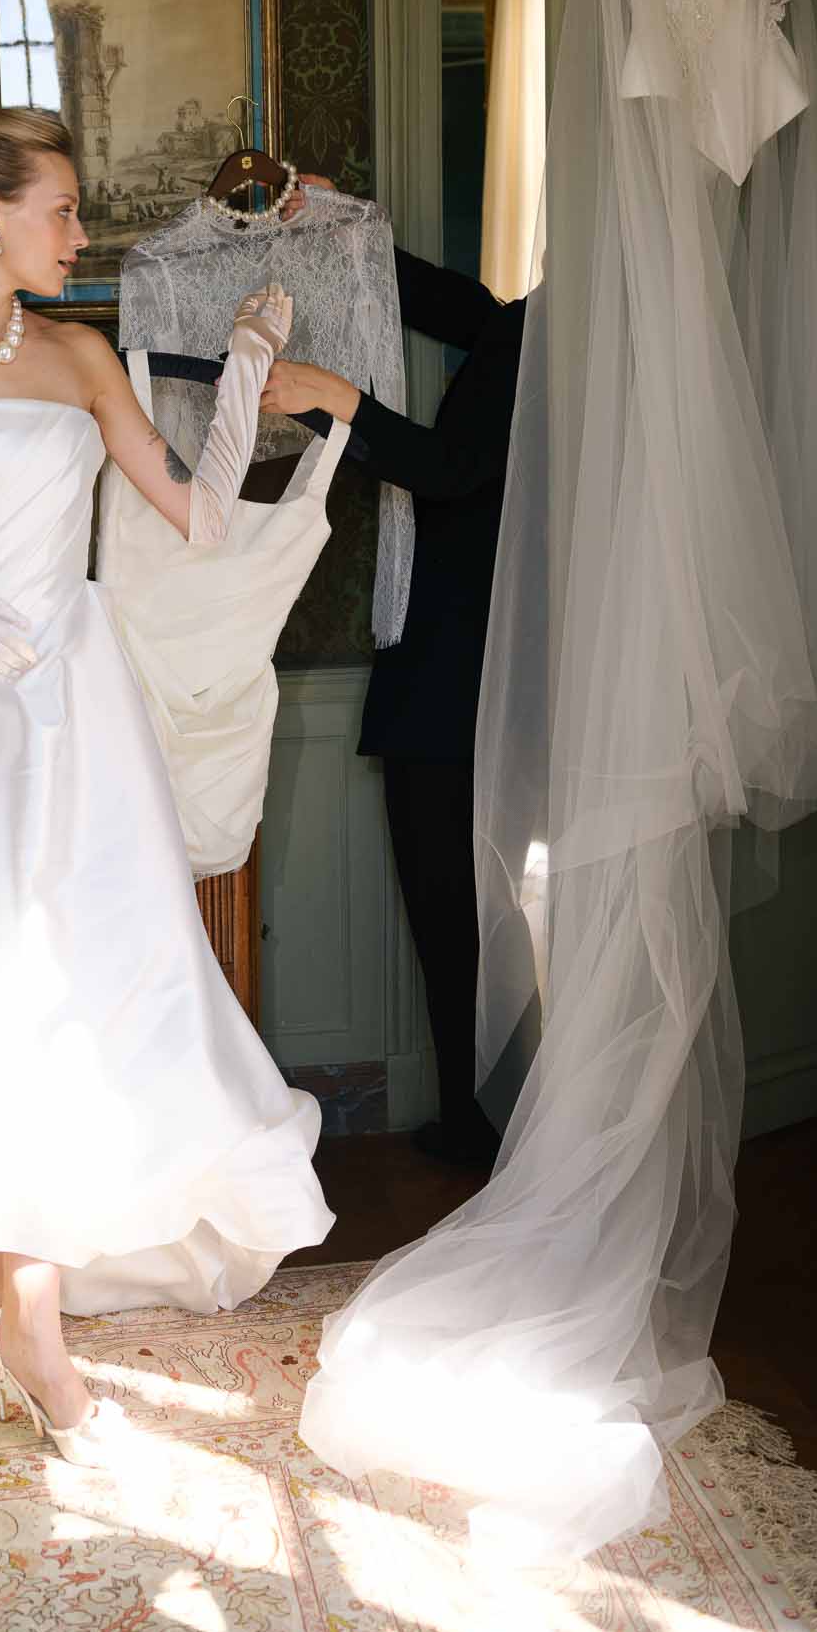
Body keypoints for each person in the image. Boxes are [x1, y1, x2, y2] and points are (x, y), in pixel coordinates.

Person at [0, 104, 333, 1464]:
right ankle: (15, 1297)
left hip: (68, 699)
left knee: (84, 975)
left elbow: (200, 520)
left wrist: (250, 379)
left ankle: (21, 1294)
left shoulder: (82, 355)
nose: (82, 234)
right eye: (61, 209)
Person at [261, 176, 526, 1167]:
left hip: (461, 655)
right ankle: (476, 1114)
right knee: (462, 903)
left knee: (452, 901)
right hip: (470, 646)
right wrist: (355, 224)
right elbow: (471, 312)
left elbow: (451, 467)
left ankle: (480, 1121)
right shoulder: (552, 323)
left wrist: (336, 397)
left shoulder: (551, 334)